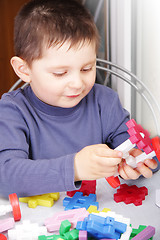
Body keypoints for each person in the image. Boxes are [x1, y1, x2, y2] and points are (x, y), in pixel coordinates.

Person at [0, 0, 157, 197]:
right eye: (60, 73)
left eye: (87, 69)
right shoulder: (13, 110)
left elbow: (132, 143)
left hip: (98, 213)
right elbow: (4, 177)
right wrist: (74, 168)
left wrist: (138, 160)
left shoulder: (104, 101)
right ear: (24, 70)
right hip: (38, 224)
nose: (77, 83)